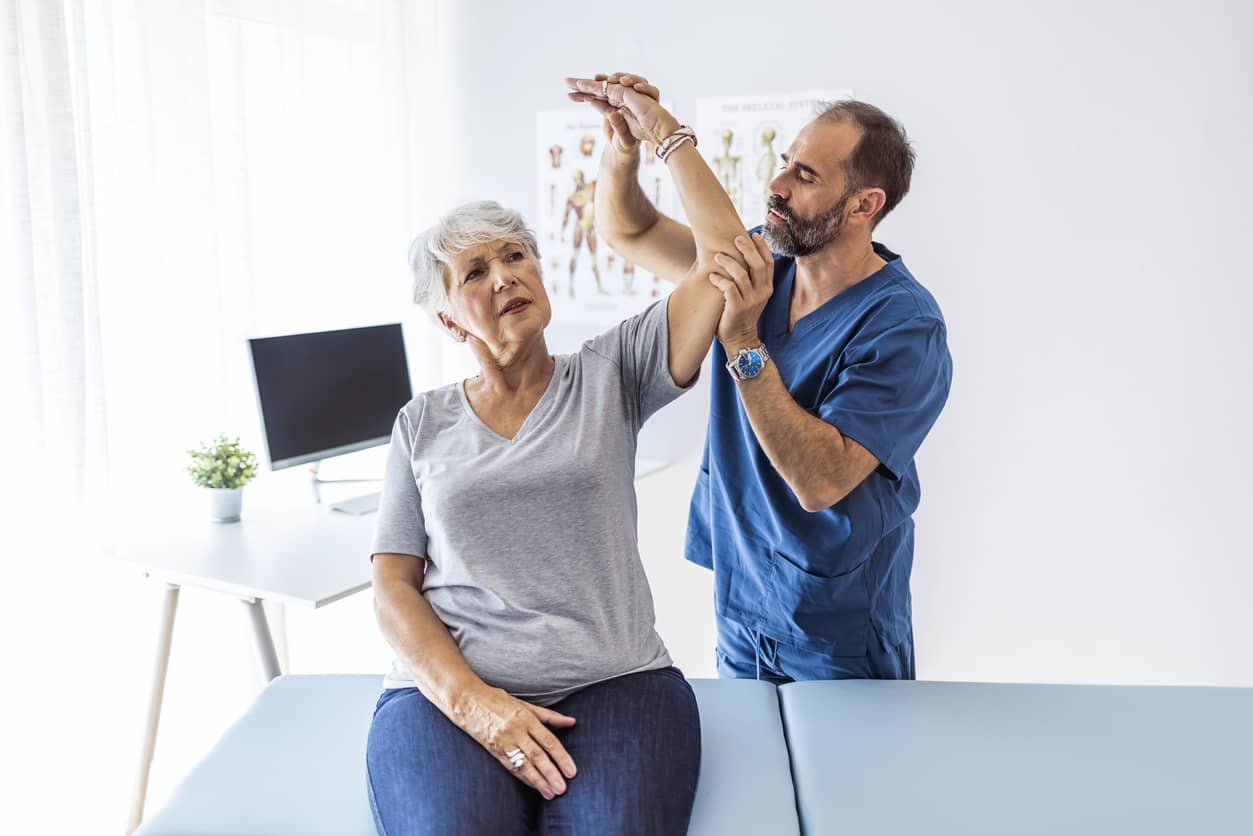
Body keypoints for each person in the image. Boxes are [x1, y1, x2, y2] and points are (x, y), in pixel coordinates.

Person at [365, 81, 756, 835]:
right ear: (449, 319)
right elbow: (392, 589)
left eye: (515, 256)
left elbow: (724, 261)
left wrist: (660, 136)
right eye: (474, 272)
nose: (504, 275)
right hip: (449, 694)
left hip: (616, 686)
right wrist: (477, 705)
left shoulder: (612, 372)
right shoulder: (421, 423)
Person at [569, 72, 953, 685]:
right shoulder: (761, 262)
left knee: (851, 781)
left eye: (806, 176)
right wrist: (624, 145)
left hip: (837, 633)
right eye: (784, 163)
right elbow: (631, 231)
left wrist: (744, 341)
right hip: (742, 607)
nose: (776, 186)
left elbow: (820, 479)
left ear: (864, 204)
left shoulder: (905, 328)